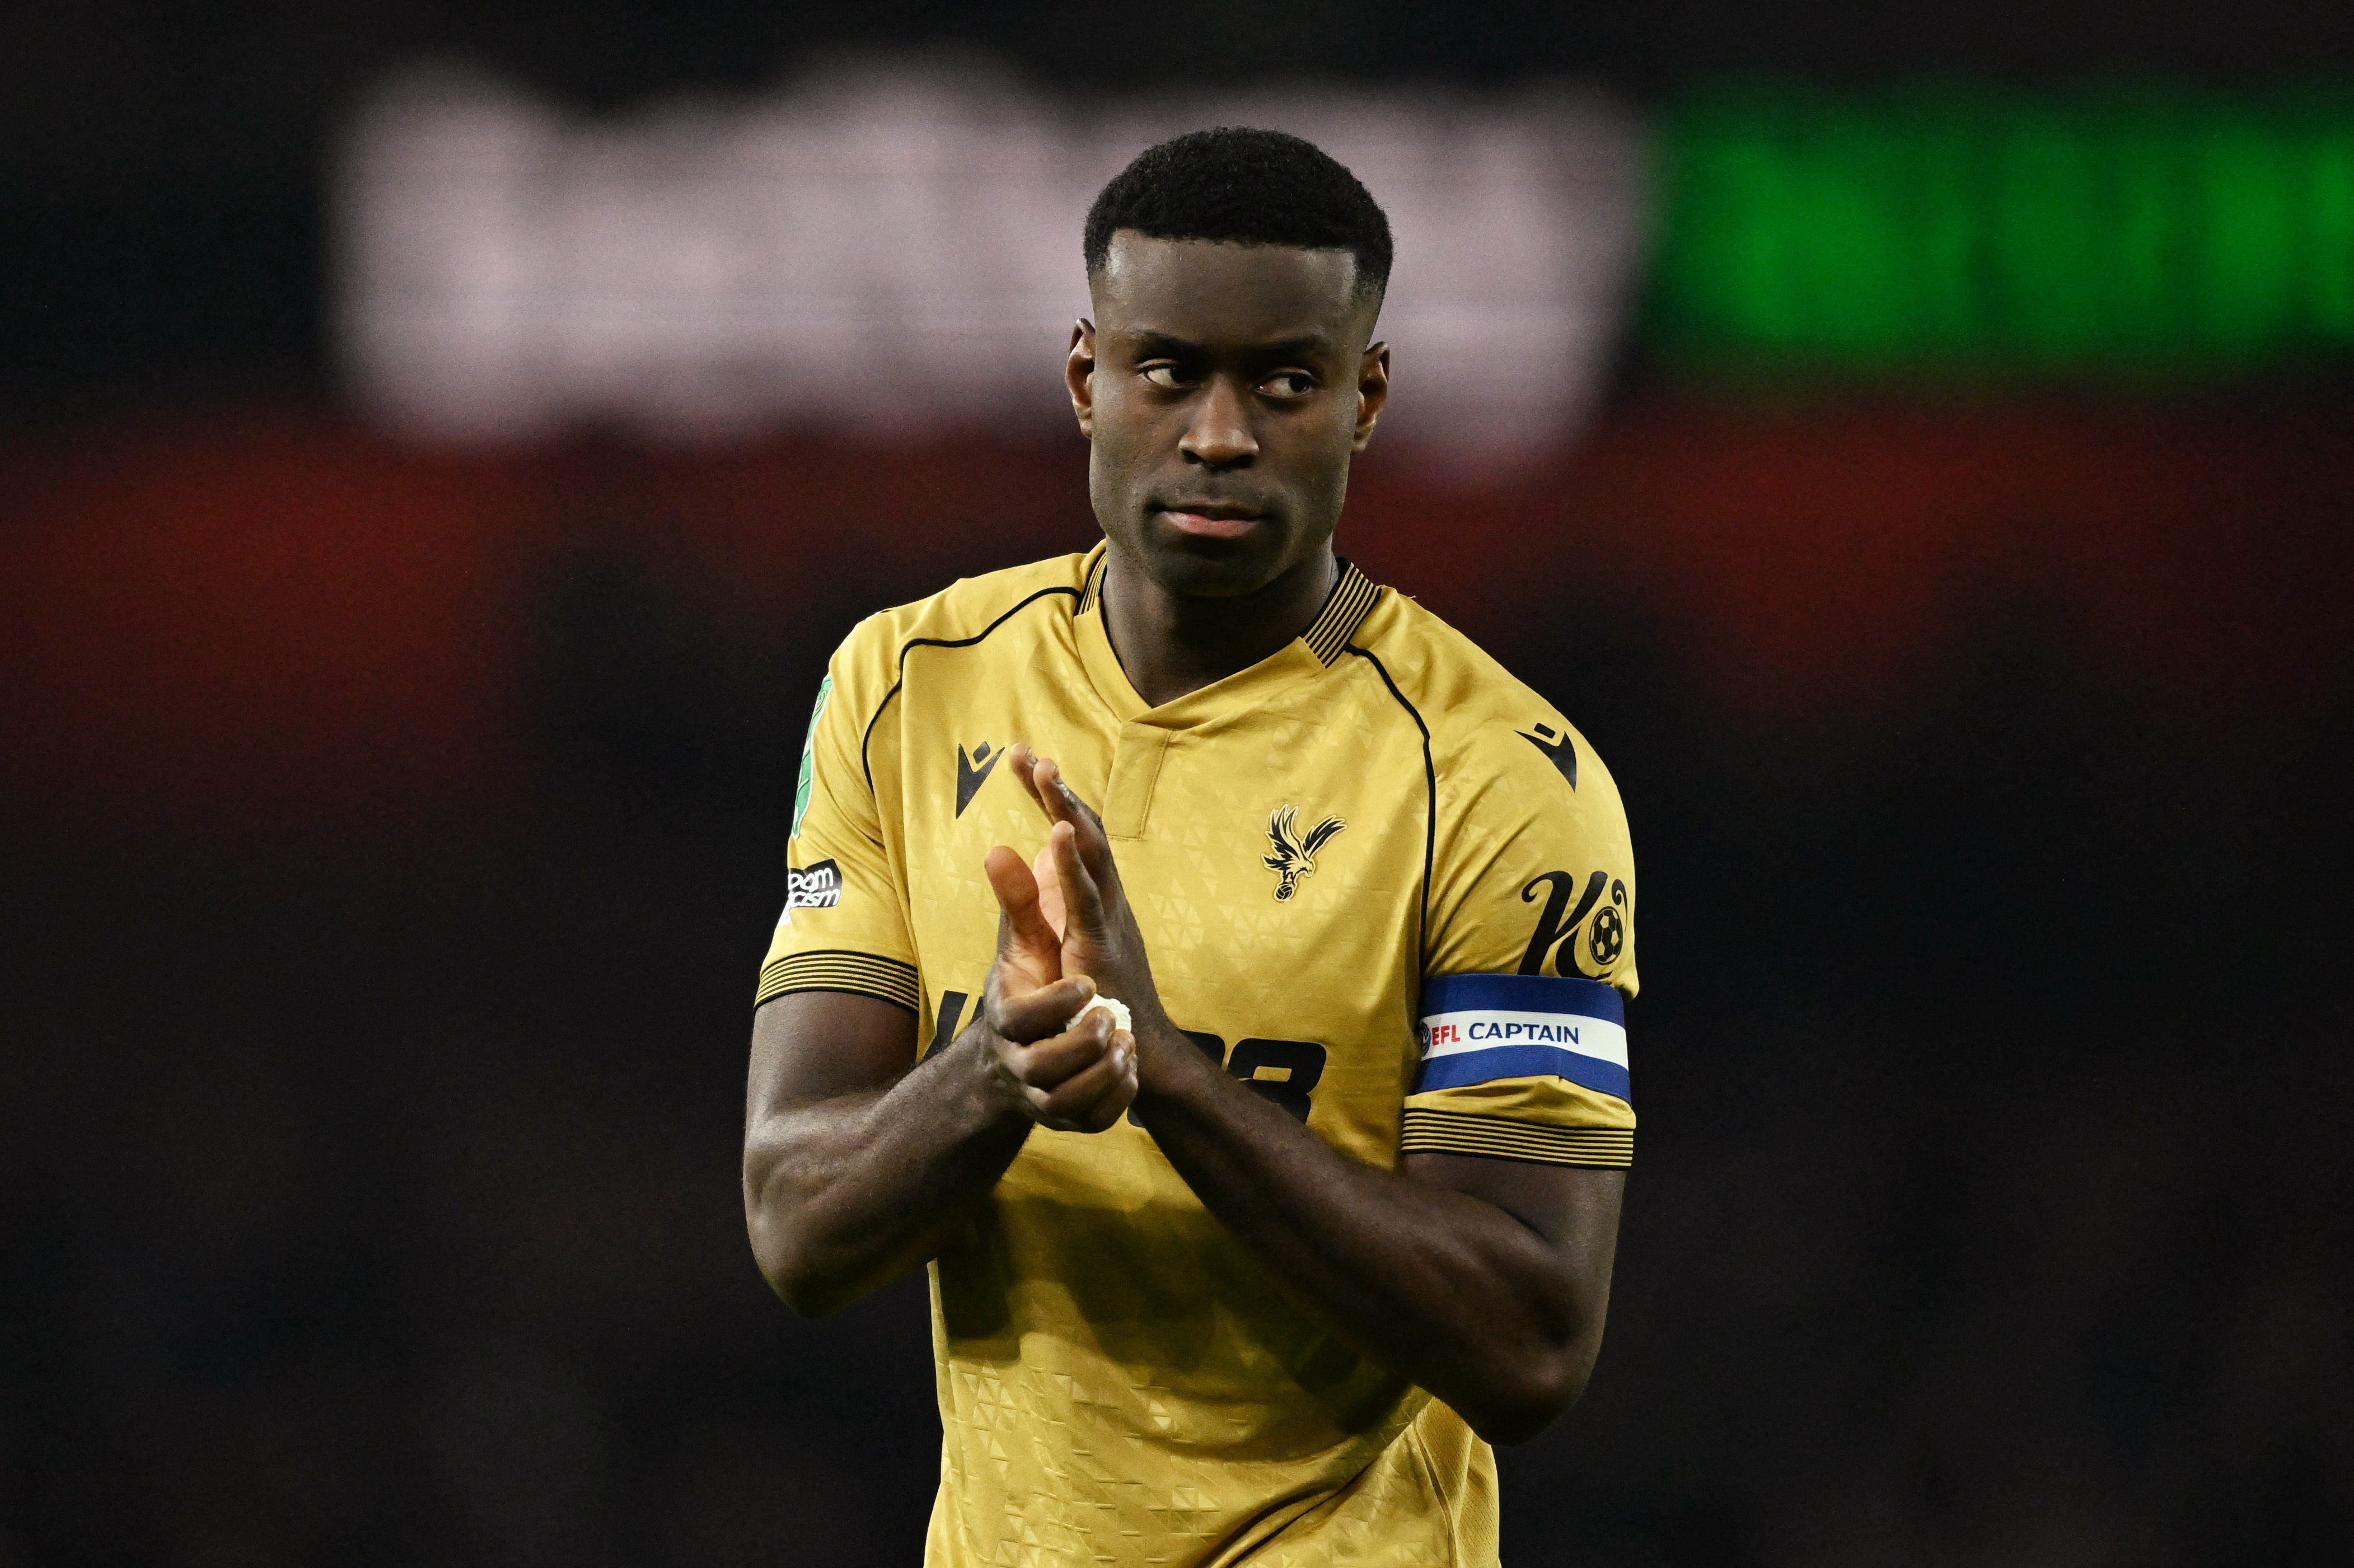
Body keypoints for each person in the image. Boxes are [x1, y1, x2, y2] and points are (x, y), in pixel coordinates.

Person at [742, 126, 1638, 1566]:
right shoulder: (907, 686)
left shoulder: (1502, 778)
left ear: (1367, 398)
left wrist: (1167, 1076)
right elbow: (796, 1222)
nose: (1219, 434)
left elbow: (1532, 1343)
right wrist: (995, 1069)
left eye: (1285, 381)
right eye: (1170, 374)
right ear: (1090, 380)